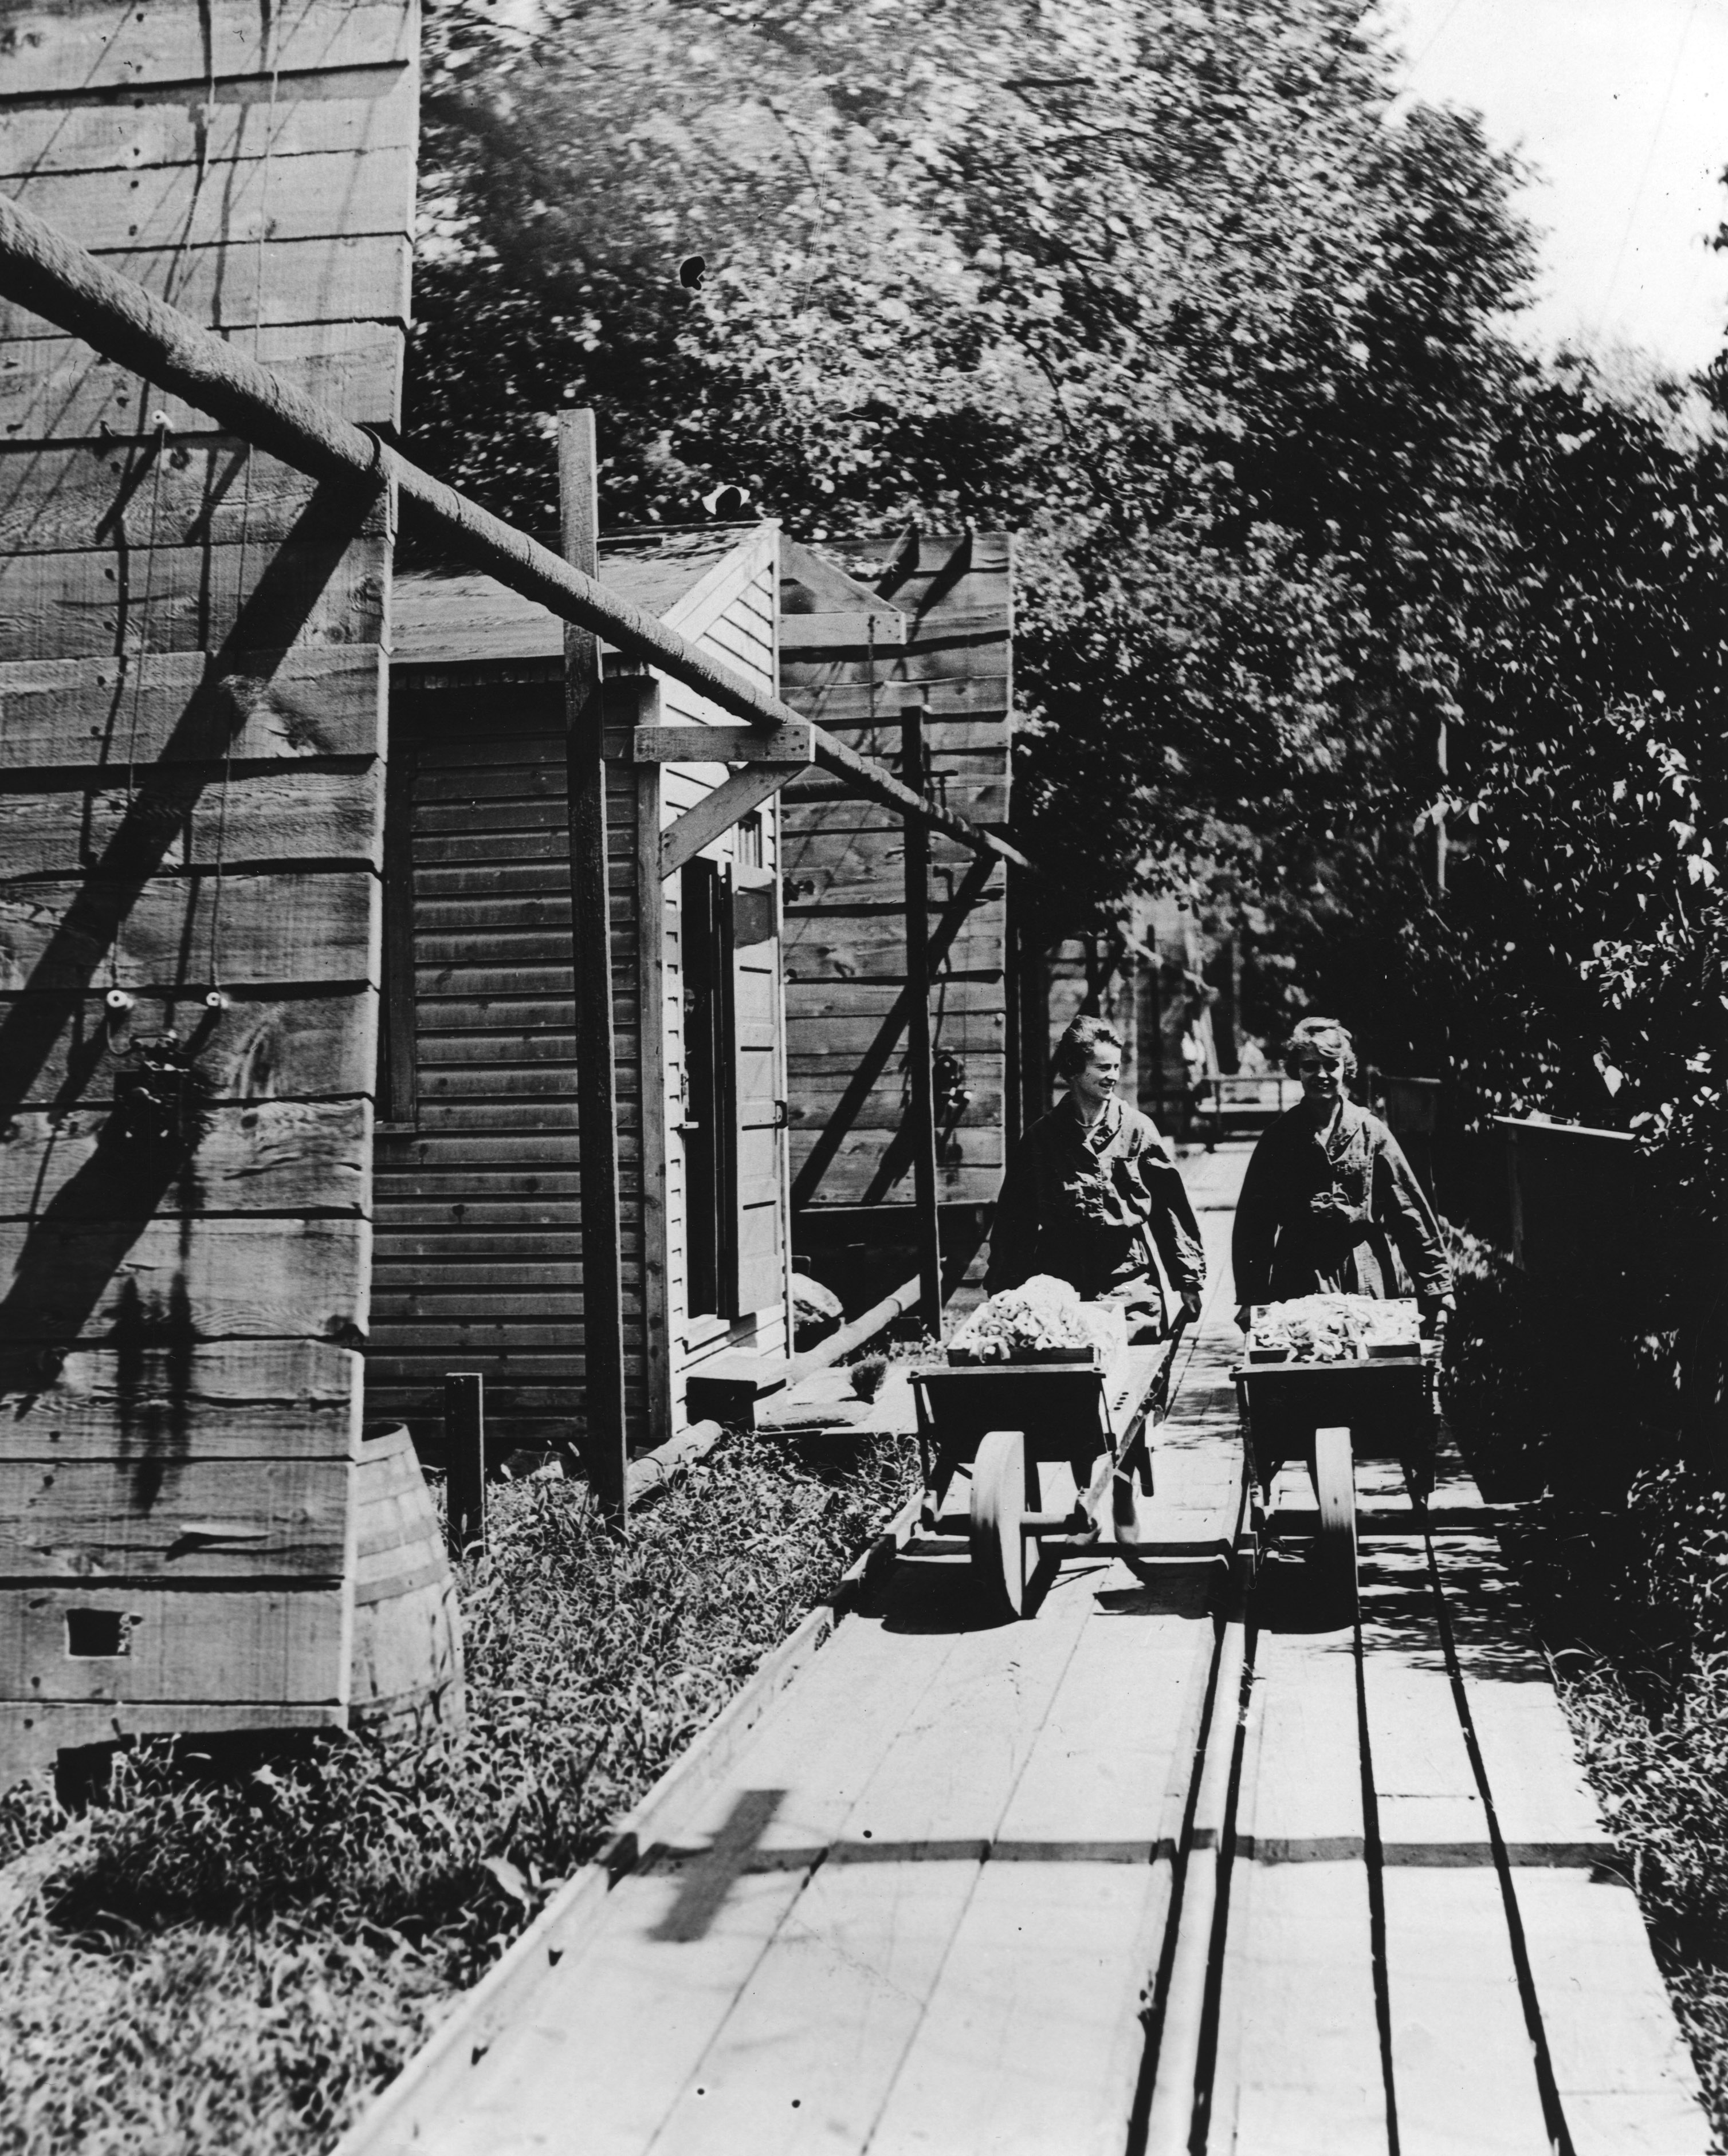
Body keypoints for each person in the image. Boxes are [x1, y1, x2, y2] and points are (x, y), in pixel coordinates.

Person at [1231, 1017, 1453, 1331]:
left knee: (1370, 1362)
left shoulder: (1371, 1132)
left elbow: (1408, 1211)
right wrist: (1252, 1297)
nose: (1321, 1075)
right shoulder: (1279, 1139)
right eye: (1310, 1066)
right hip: (1297, 1276)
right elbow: (1254, 1224)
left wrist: (1437, 1287)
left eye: (1331, 1065)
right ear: (1297, 1070)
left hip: (1364, 1273)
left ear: (1346, 1069)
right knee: (1307, 1361)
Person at [988, 1014, 1205, 1324]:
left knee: (1138, 1361)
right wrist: (1004, 1286)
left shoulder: (1138, 1130)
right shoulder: (1041, 1138)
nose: (1113, 1076)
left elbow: (1168, 1210)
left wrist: (1187, 1280)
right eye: (1103, 1068)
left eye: (1116, 1067)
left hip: (1130, 1280)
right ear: (1075, 1069)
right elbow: (1015, 1219)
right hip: (1059, 1286)